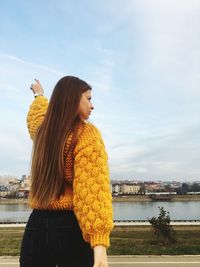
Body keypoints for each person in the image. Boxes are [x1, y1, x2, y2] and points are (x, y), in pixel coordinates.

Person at [20, 76, 114, 267]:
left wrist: (39, 95)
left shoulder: (44, 132)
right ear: (72, 99)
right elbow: (92, 192)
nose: (92, 105)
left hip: (35, 226)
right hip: (70, 227)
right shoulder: (86, 133)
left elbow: (36, 119)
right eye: (88, 98)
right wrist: (100, 247)